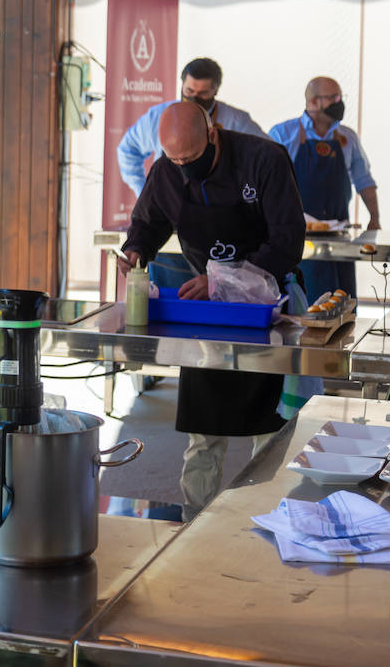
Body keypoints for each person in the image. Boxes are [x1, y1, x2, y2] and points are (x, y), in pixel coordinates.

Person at [116, 102, 304, 521]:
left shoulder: (264, 160)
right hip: (206, 315)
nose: (183, 167)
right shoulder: (166, 170)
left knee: (267, 429)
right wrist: (135, 249)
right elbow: (149, 221)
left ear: (213, 133)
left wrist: (224, 278)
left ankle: (271, 519)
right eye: (175, 159)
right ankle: (193, 523)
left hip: (264, 311)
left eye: (191, 158)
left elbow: (289, 241)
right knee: (204, 431)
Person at [116, 58, 268, 290]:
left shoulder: (237, 121)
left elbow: (266, 160)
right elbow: (127, 150)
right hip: (172, 230)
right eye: (189, 91)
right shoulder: (158, 117)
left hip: (227, 232)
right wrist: (146, 192)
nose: (195, 97)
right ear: (181, 86)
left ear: (216, 90)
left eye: (203, 93)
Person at [269, 76, 379, 299]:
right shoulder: (282, 134)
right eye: (333, 98)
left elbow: (364, 181)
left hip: (340, 238)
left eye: (340, 97)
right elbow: (268, 185)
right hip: (297, 238)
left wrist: (374, 219)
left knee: (342, 305)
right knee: (304, 306)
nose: (339, 103)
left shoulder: (348, 137)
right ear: (312, 102)